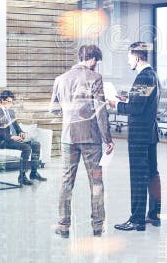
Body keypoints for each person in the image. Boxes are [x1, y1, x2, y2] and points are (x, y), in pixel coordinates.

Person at [49, 44, 114, 239]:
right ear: (92, 59)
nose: (97, 66)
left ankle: (63, 225)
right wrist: (108, 139)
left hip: (68, 138)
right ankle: (97, 226)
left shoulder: (60, 79)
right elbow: (101, 111)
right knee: (96, 182)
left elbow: (53, 109)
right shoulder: (95, 78)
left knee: (66, 182)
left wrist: (70, 115)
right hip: (91, 140)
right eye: (97, 62)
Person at [108, 42, 162, 231]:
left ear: (137, 58)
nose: (128, 61)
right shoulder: (152, 75)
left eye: (129, 57)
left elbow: (136, 109)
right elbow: (142, 102)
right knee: (152, 174)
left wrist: (116, 105)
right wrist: (126, 99)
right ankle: (154, 215)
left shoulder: (143, 77)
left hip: (139, 135)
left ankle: (137, 220)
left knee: (139, 176)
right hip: (150, 133)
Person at [0, 90, 46, 186]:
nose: (10, 103)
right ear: (2, 100)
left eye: (11, 101)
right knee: (26, 148)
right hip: (2, 141)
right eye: (8, 101)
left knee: (36, 145)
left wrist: (21, 133)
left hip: (14, 138)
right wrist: (12, 137)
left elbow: (15, 126)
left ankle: (33, 173)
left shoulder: (11, 112)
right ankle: (22, 176)